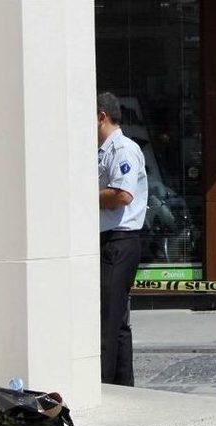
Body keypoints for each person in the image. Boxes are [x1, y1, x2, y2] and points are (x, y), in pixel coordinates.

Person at [97, 92, 148, 386]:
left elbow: (122, 194)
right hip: (111, 240)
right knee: (117, 322)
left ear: (102, 116)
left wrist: (85, 195)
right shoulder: (102, 150)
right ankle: (122, 384)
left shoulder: (123, 149)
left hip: (119, 241)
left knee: (107, 319)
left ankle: (104, 384)